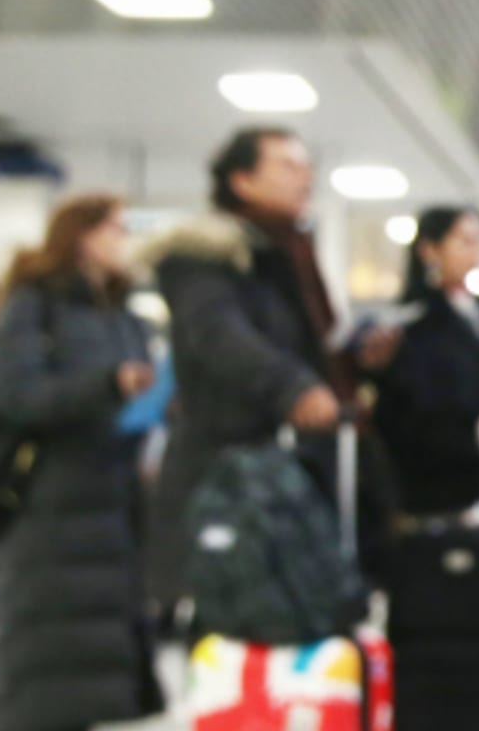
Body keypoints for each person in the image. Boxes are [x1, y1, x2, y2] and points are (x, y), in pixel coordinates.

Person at [141, 128, 397, 615]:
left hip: (293, 473)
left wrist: (359, 361)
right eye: (287, 165)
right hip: (230, 477)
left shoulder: (289, 256)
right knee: (238, 627)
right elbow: (219, 336)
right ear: (241, 181)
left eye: (306, 165)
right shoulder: (204, 255)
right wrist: (293, 388)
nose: (305, 176)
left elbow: (304, 347)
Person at [0, 195, 158, 731]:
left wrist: (149, 404)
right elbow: (17, 395)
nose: (124, 239)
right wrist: (108, 385)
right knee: (43, 646)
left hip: (111, 498)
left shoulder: (122, 311)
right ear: (80, 235)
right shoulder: (33, 303)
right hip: (49, 504)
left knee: (91, 651)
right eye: (115, 227)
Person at [372, 206, 479, 517]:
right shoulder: (413, 319)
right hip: (441, 486)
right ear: (429, 249)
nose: (475, 253)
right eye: (465, 242)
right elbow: (414, 405)